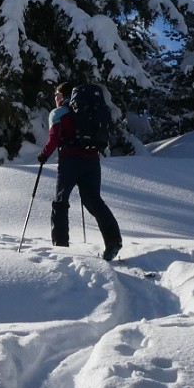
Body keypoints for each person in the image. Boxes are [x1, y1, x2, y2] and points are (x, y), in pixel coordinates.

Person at [37, 81, 122, 260]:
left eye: (56, 95)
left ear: (62, 95)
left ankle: (61, 247)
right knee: (94, 201)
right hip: (92, 161)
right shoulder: (90, 109)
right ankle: (113, 240)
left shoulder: (59, 113)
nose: (55, 98)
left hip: (70, 161)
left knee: (60, 202)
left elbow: (53, 139)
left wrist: (43, 156)